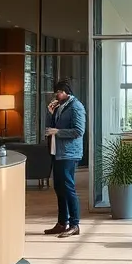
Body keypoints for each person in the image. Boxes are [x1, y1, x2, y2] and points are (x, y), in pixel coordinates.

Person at [44, 78, 86, 238]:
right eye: (57, 92)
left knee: (68, 188)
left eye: (60, 92)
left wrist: (58, 132)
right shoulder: (59, 107)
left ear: (67, 92)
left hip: (69, 153)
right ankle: (62, 223)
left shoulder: (76, 107)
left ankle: (74, 224)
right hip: (57, 151)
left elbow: (78, 131)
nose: (57, 95)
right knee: (59, 188)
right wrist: (50, 113)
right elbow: (50, 128)